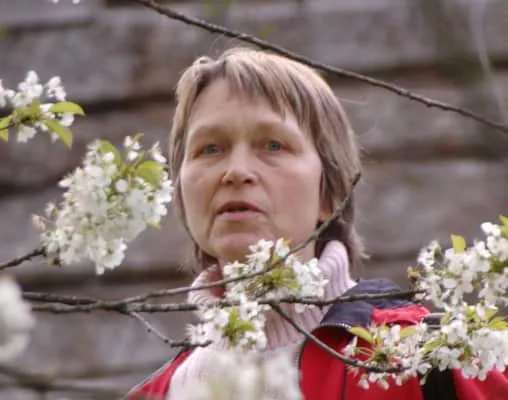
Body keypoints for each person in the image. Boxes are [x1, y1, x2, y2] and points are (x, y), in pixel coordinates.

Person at [127, 48, 508, 400]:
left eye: (273, 145)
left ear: (331, 193)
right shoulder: (154, 395)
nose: (236, 171)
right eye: (210, 148)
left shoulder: (431, 361)